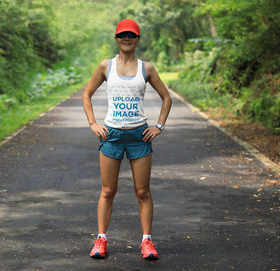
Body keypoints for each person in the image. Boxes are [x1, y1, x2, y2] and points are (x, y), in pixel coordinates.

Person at [82, 18, 172, 260]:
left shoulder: (147, 68)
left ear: (138, 39)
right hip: (111, 135)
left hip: (138, 136)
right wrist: (93, 123)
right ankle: (101, 239)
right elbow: (87, 94)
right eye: (122, 35)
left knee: (143, 191)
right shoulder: (105, 66)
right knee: (108, 191)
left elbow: (167, 98)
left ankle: (147, 242)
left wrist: (158, 127)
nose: (127, 39)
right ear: (116, 38)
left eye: (131, 35)